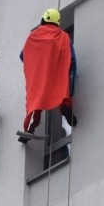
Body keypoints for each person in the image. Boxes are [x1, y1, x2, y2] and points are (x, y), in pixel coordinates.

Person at [19, 8, 77, 143]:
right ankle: (66, 109)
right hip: (56, 74)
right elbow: (72, 59)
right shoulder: (63, 36)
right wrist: (71, 81)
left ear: (43, 19)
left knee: (35, 100)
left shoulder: (33, 36)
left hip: (39, 76)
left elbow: (23, 55)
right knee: (61, 90)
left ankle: (29, 128)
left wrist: (36, 64)